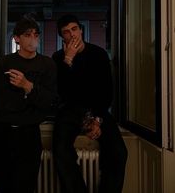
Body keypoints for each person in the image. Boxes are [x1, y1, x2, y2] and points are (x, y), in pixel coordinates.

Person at [52, 14, 128, 193]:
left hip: (97, 109)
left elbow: (107, 91)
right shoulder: (57, 58)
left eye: (74, 29)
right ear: (62, 37)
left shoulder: (98, 53)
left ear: (80, 29)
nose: (72, 35)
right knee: (61, 151)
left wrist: (98, 119)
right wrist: (68, 59)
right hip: (70, 111)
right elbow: (61, 93)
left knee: (119, 153)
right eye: (66, 32)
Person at [0, 15, 58, 193]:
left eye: (36, 34)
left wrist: (27, 86)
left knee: (25, 184)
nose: (33, 38)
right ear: (16, 38)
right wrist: (32, 98)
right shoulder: (4, 63)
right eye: (27, 34)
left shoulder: (47, 64)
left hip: (29, 133)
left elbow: (49, 102)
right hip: (1, 132)